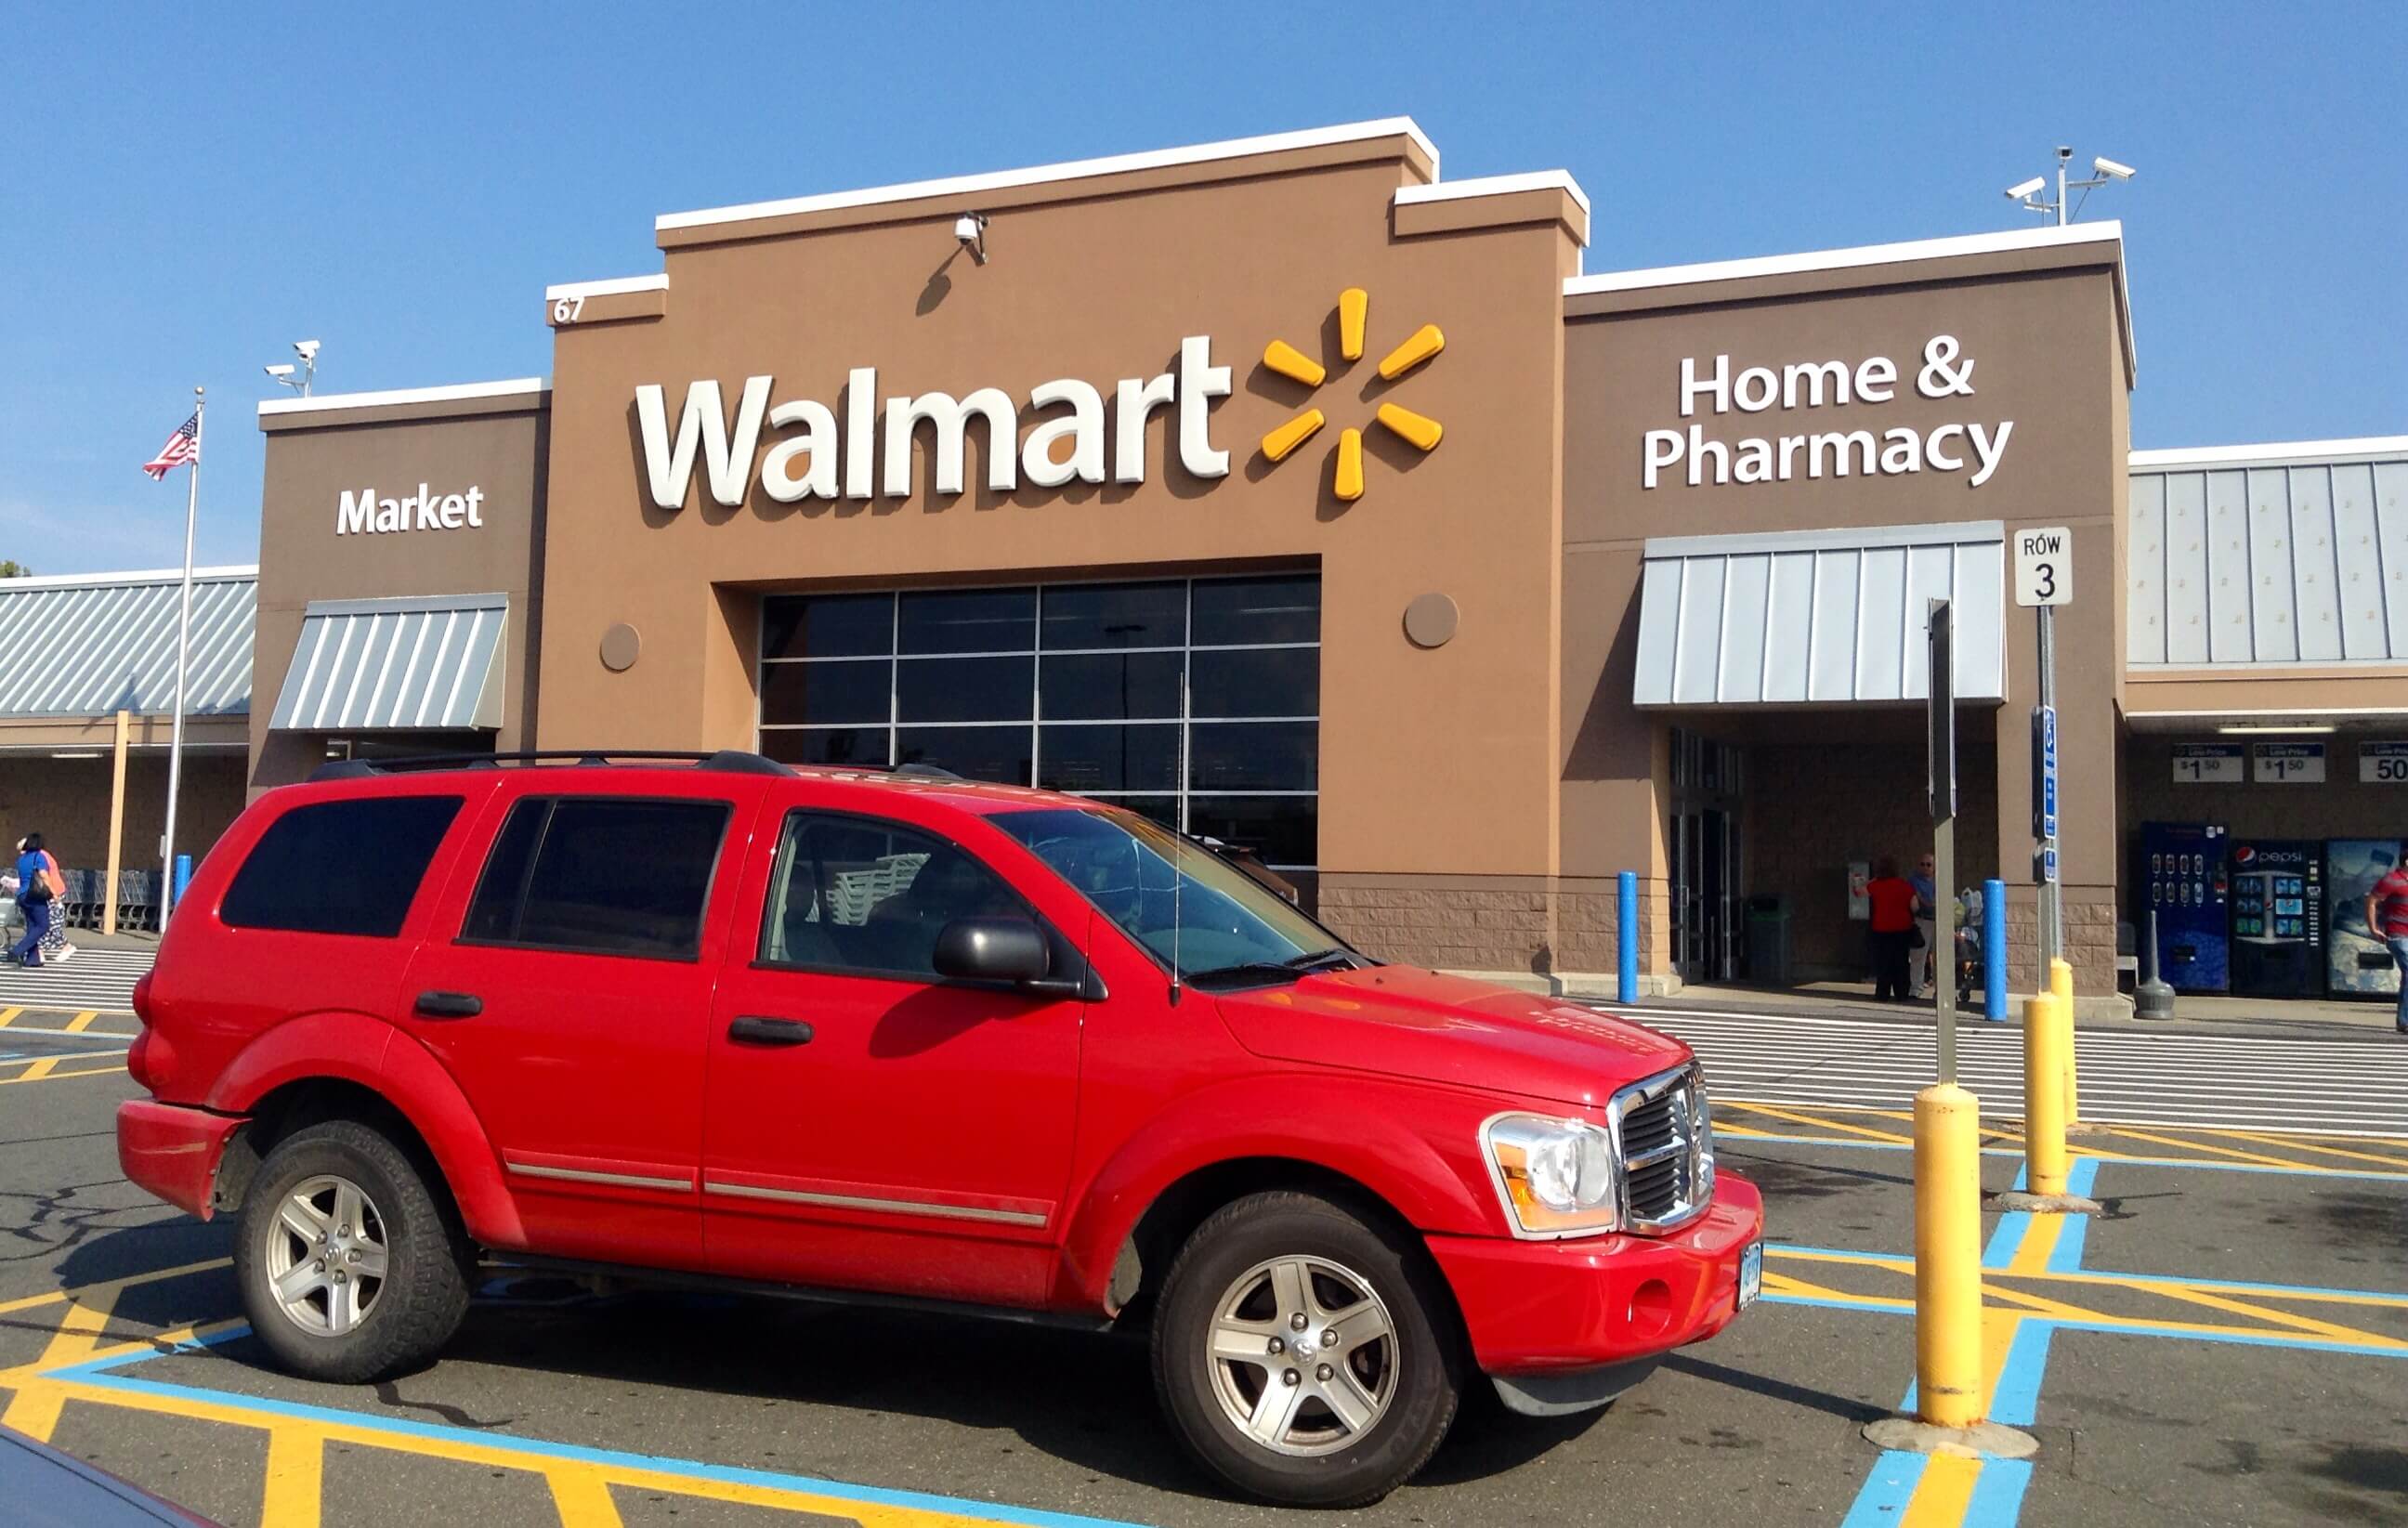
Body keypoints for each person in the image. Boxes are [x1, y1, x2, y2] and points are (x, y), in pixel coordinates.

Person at [1865, 855, 1918, 1002]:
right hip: (1902, 929)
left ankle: (1882, 993)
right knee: (1901, 961)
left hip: (1881, 928)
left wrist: (1874, 879)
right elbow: (1915, 907)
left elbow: (1859, 892)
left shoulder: (1875, 886)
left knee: (1883, 962)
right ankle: (1902, 993)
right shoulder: (1905, 886)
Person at [2365, 859, 2408, 1036]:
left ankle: (2403, 1020)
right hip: (2398, 935)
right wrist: (2373, 928)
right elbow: (2372, 901)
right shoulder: (2392, 880)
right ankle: (2405, 1021)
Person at [7, 832, 57, 968]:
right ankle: (17, 950)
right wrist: (54, 893)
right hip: (35, 895)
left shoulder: (22, 859)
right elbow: (44, 875)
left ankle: (32, 959)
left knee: (32, 927)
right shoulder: (38, 857)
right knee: (43, 925)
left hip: (22, 895)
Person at [25, 837, 72, 964]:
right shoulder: (41, 855)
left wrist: (54, 894)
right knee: (43, 922)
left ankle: (65, 946)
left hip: (50, 892)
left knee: (49, 923)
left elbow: (44, 876)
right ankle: (40, 951)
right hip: (46, 893)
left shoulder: (40, 857)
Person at [1907, 851, 1938, 998]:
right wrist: (1931, 904)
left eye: (1929, 864)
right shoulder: (1913, 881)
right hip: (1922, 919)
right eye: (1922, 864)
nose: (1925, 867)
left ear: (1934, 867)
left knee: (1939, 957)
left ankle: (1941, 990)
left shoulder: (1939, 881)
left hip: (1938, 921)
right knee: (1918, 956)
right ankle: (1916, 988)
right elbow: (1918, 899)